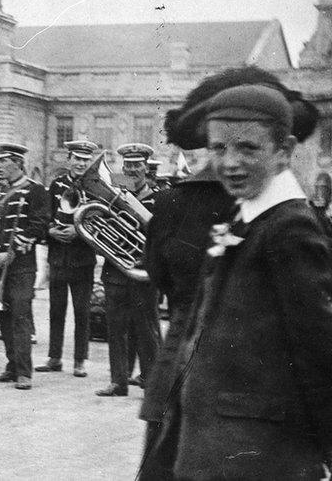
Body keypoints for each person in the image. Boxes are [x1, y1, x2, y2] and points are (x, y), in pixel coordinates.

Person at [138, 67, 322, 479]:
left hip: (208, 405)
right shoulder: (269, 212)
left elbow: (159, 278)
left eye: (247, 146)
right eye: (220, 145)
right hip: (231, 412)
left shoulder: (278, 221)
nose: (231, 161)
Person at [0, 143, 50, 390]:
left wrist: (12, 251)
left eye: (3, 162)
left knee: (20, 316)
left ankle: (24, 371)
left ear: (18, 163)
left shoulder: (35, 191)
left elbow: (39, 224)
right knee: (4, 316)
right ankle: (11, 366)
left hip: (21, 266)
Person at [94, 143, 161, 397]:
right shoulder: (114, 195)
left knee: (146, 329)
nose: (132, 170)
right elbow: (99, 224)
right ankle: (118, 381)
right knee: (115, 328)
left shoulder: (159, 197)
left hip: (144, 273)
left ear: (146, 168)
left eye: (137, 165)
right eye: (128, 165)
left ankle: (151, 384)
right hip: (115, 270)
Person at [38, 140, 98, 377]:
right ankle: (54, 357)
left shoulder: (96, 187)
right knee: (56, 309)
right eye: (77, 158)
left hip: (82, 258)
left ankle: (80, 360)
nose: (81, 163)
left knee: (82, 312)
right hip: (58, 257)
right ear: (69, 159)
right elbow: (46, 215)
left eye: (85, 159)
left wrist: (79, 231)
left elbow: (100, 221)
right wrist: (50, 231)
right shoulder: (56, 185)